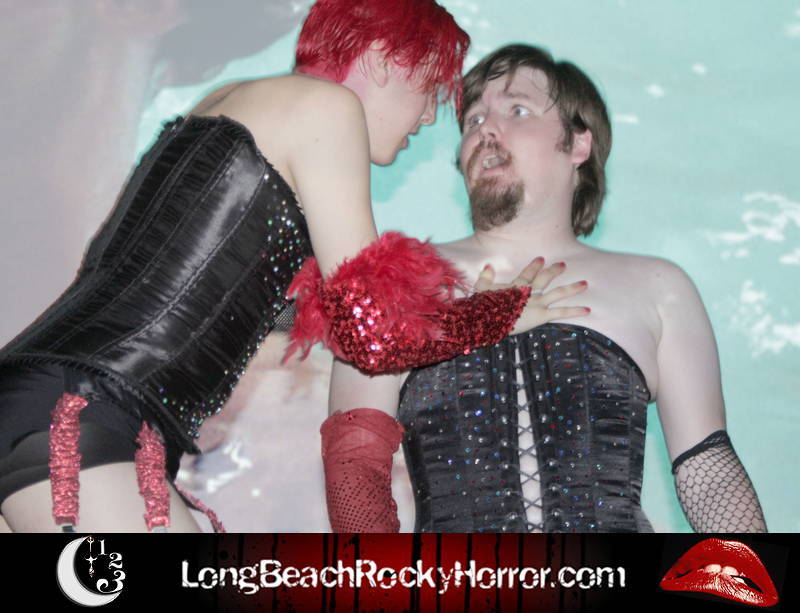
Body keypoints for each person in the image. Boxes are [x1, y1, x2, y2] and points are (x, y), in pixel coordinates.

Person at [0, 4, 586, 533]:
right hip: (83, 413)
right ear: (383, 59)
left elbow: (230, 300)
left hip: (42, 396)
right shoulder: (327, 108)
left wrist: (447, 315)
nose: (432, 116)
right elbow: (375, 336)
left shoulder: (226, 103)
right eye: (432, 86)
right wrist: (500, 312)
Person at [325, 44, 767, 533]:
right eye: (473, 119)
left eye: (518, 110)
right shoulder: (394, 284)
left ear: (579, 143)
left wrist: (748, 574)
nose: (486, 129)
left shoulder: (659, 287)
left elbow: (708, 473)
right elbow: (355, 469)